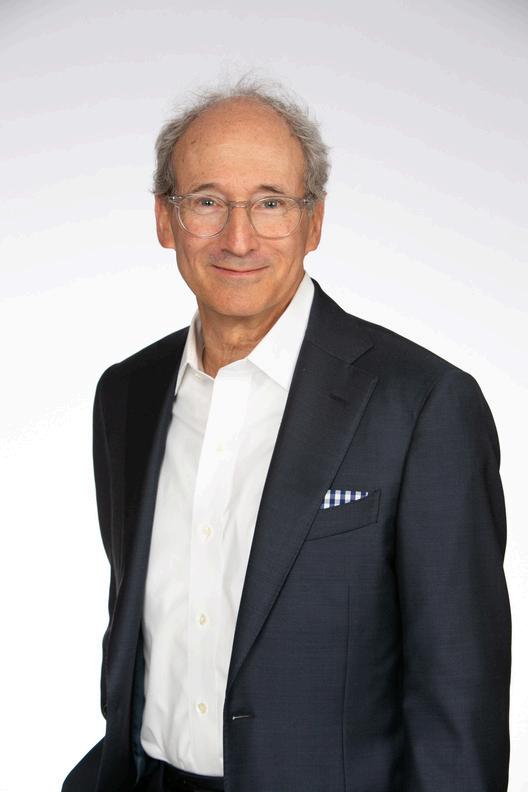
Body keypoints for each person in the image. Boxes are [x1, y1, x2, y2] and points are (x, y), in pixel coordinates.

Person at [62, 79, 511, 792]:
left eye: (270, 202)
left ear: (315, 221)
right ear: (165, 218)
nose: (238, 238)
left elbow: (459, 699)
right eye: (207, 201)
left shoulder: (423, 404)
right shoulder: (127, 395)